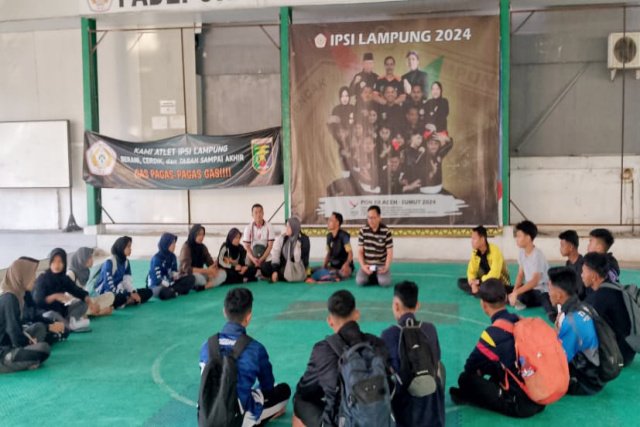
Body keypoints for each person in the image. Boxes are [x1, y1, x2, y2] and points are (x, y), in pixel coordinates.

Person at [292, 290, 392, 427]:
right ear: (356, 314)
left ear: (330, 321)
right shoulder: (376, 344)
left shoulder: (322, 350)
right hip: (380, 420)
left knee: (300, 400)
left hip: (341, 422)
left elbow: (305, 389)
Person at [449, 279, 545, 418]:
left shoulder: (491, 335)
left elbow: (470, 367)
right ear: (506, 297)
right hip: (540, 396)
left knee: (465, 379)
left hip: (521, 404)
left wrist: (482, 369)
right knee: (495, 362)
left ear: (483, 304)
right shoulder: (520, 320)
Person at [199, 288, 291, 426]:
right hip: (237, 419)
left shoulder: (207, 345)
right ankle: (259, 419)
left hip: (207, 417)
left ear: (224, 311)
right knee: (283, 390)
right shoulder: (255, 348)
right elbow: (268, 387)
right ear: (248, 317)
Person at [380, 281, 444, 427]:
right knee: (440, 367)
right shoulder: (430, 329)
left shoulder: (389, 334)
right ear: (417, 305)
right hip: (431, 406)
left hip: (405, 411)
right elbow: (436, 358)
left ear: (396, 306)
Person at [547, 266, 603, 395]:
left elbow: (560, 360)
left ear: (559, 295)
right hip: (596, 368)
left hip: (587, 382)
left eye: (549, 288)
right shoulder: (584, 306)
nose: (548, 293)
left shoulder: (570, 321)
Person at [583, 252, 635, 366]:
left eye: (584, 272)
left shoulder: (600, 296)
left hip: (617, 358)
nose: (581, 275)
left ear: (594, 276)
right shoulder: (615, 288)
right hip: (627, 353)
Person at [0, 257, 51, 373]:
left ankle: (26, 359)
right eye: (32, 274)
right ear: (21, 275)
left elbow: (16, 328)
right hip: (2, 351)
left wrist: (28, 339)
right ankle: (19, 360)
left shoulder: (18, 295)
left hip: (9, 343)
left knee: (39, 328)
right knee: (44, 348)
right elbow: (13, 332)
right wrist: (27, 342)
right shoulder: (9, 298)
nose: (34, 278)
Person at [32, 248, 100, 331]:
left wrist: (90, 303)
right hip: (45, 313)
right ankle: (69, 326)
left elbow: (78, 291)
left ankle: (67, 325)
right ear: (50, 263)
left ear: (64, 263)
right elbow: (38, 301)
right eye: (54, 261)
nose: (56, 265)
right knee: (50, 315)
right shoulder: (43, 279)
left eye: (60, 262)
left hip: (61, 312)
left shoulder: (64, 278)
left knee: (83, 304)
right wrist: (55, 296)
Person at [508, 220, 554, 320]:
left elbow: (535, 281)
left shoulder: (537, 255)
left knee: (548, 308)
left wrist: (516, 293)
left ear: (528, 238)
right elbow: (520, 274)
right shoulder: (521, 252)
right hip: (531, 290)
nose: (516, 239)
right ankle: (524, 300)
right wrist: (514, 291)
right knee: (514, 294)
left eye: (519, 236)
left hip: (542, 290)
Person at [96, 236, 153, 308]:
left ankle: (127, 301)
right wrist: (128, 294)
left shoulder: (126, 262)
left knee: (149, 292)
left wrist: (133, 292)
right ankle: (127, 300)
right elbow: (109, 287)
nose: (130, 249)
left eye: (130, 246)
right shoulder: (109, 262)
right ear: (121, 247)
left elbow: (127, 282)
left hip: (119, 290)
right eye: (128, 247)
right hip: (105, 292)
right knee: (120, 298)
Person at [458, 225, 511, 295]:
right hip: (482, 281)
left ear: (482, 239)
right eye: (472, 239)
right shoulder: (475, 252)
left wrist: (479, 281)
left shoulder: (495, 251)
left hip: (498, 282)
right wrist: (472, 283)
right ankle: (481, 291)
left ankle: (481, 291)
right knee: (460, 282)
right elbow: (471, 271)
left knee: (494, 288)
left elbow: (495, 274)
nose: (472, 241)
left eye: (474, 239)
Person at [67, 247, 114, 316]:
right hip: (72, 305)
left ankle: (92, 311)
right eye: (89, 258)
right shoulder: (71, 274)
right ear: (82, 259)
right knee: (79, 305)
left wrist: (90, 302)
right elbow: (67, 299)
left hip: (84, 302)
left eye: (92, 257)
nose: (92, 260)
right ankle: (99, 312)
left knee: (110, 295)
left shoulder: (86, 272)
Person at [148, 233, 196, 300]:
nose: (174, 245)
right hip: (157, 286)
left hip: (170, 283)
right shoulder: (156, 259)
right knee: (164, 293)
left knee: (191, 278)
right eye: (172, 243)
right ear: (166, 244)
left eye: (174, 243)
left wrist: (179, 275)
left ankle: (174, 291)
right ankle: (176, 291)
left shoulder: (172, 256)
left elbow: (174, 272)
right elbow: (157, 280)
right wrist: (169, 284)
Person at [310, 212, 353, 283]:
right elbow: (328, 253)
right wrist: (324, 265)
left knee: (343, 273)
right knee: (311, 270)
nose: (328, 222)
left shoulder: (344, 236)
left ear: (337, 223)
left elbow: (350, 253)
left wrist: (346, 264)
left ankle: (332, 276)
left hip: (343, 267)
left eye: (330, 220)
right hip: (333, 267)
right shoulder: (329, 236)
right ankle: (331, 275)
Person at [180, 224, 226, 290]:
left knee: (223, 274)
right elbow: (187, 269)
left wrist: (215, 267)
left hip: (202, 273)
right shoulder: (186, 247)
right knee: (200, 279)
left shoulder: (202, 247)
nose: (201, 237)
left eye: (203, 235)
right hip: (189, 275)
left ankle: (206, 286)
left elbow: (210, 262)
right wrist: (207, 271)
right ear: (193, 234)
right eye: (199, 234)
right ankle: (207, 284)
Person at [356, 205, 393, 287]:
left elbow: (389, 252)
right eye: (369, 217)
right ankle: (374, 276)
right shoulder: (363, 231)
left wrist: (386, 267)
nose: (370, 220)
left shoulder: (386, 231)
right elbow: (360, 251)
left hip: (381, 264)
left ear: (379, 218)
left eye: (373, 218)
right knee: (360, 281)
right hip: (367, 264)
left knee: (385, 282)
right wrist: (363, 266)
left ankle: (375, 276)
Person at [268, 217, 310, 283]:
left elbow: (302, 259)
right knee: (265, 267)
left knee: (284, 271)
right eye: (286, 226)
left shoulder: (304, 239)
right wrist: (275, 270)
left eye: (288, 227)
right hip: (283, 264)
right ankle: (278, 274)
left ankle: (282, 275)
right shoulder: (283, 238)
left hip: (297, 266)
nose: (286, 229)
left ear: (294, 227)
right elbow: (276, 254)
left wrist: (296, 246)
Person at [243, 204, 276, 278]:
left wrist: (261, 260)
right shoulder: (248, 228)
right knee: (248, 272)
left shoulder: (269, 226)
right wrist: (253, 259)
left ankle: (261, 271)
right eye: (256, 212)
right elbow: (247, 247)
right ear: (252, 215)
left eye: (260, 212)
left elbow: (270, 246)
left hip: (265, 254)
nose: (258, 215)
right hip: (252, 255)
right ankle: (255, 270)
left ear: (263, 213)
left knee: (267, 270)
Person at [558, 230, 587, 300]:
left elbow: (581, 291)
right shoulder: (568, 263)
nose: (560, 248)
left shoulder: (583, 265)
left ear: (571, 247)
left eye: (562, 245)